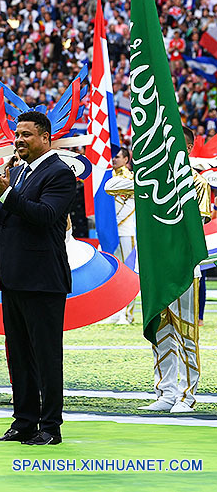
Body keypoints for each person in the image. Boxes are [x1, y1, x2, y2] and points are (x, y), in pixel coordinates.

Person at [0, 110, 76, 446]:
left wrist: (6, 193)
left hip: (43, 278)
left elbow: (46, 216)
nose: (19, 140)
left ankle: (50, 427)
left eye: (27, 135)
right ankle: (24, 423)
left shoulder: (60, 173)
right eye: (17, 134)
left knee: (46, 355)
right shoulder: (17, 172)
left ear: (46, 137)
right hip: (14, 276)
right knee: (18, 354)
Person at [140, 127, 209, 413]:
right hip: (157, 268)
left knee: (186, 333)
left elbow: (200, 223)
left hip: (183, 268)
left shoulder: (197, 182)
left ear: (189, 148)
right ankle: (166, 392)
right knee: (161, 330)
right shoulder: (150, 179)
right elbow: (111, 187)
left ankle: (188, 395)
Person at [103, 146, 136, 324]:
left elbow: (129, 207)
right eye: (112, 157)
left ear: (126, 159)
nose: (114, 160)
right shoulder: (107, 177)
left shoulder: (130, 179)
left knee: (128, 272)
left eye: (117, 157)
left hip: (125, 231)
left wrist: (112, 223)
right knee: (112, 273)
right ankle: (113, 312)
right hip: (111, 231)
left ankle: (127, 314)